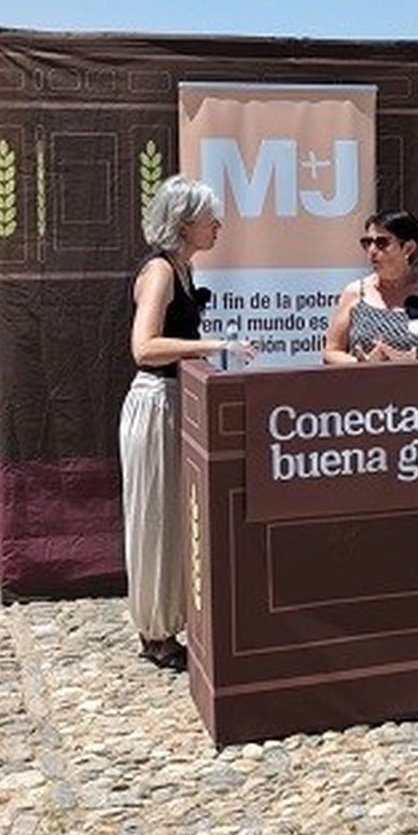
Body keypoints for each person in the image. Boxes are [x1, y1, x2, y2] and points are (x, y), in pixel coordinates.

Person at [120, 175, 253, 673]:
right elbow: (145, 346)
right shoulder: (160, 272)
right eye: (208, 218)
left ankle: (171, 618)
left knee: (178, 515)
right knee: (156, 516)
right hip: (157, 403)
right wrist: (214, 346)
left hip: (177, 402)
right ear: (183, 222)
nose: (217, 226)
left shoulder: (185, 270)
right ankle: (155, 629)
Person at [322, 209, 418, 364]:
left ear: (408, 248)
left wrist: (414, 363)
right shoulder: (355, 291)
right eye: (367, 243)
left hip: (416, 385)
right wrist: (361, 363)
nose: (372, 251)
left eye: (382, 243)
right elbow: (331, 351)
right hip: (364, 385)